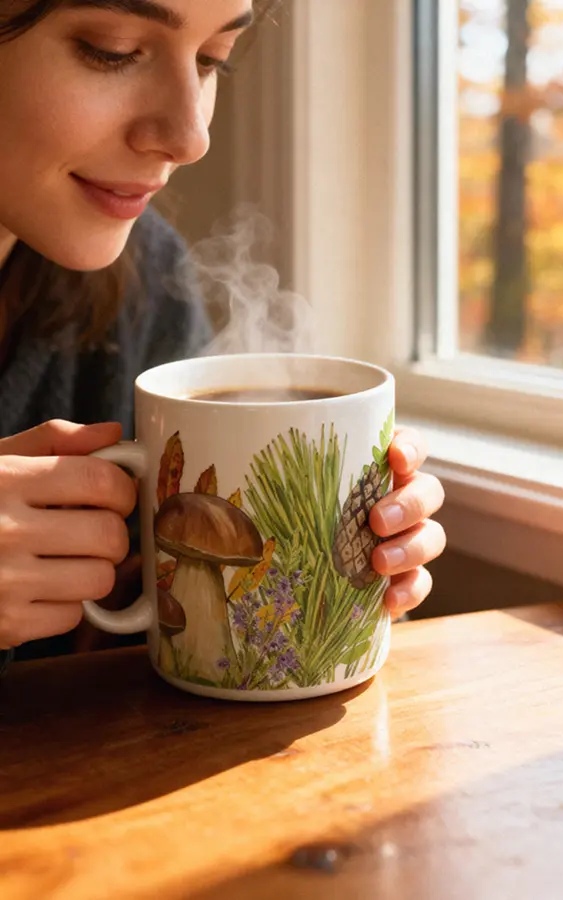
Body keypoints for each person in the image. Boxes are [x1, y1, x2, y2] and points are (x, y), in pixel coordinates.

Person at [0, 0, 446, 672]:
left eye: (212, 60)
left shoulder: (144, 280)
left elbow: (125, 637)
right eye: (112, 49)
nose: (190, 136)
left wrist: (343, 570)